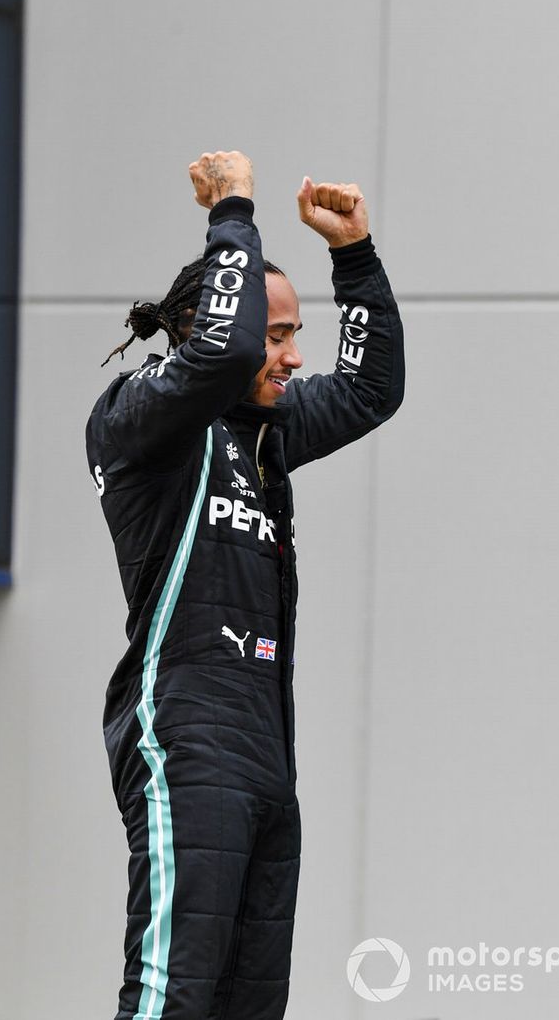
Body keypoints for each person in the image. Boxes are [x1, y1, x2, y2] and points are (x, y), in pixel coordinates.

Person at [86, 151, 405, 1020]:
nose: (295, 357)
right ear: (208, 328)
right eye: (278, 336)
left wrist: (357, 256)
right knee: (170, 996)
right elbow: (222, 353)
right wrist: (234, 211)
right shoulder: (138, 418)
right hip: (183, 736)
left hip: (266, 758)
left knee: (246, 1007)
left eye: (296, 334)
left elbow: (374, 391)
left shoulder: (264, 430)